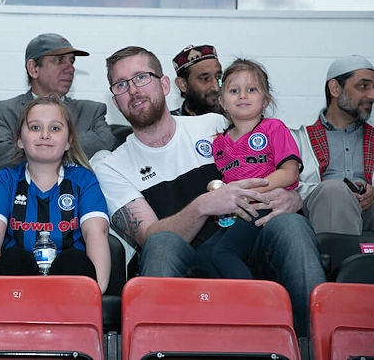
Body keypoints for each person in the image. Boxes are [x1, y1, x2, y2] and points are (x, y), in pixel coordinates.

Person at [90, 46, 325, 337]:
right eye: (121, 84)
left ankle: (315, 344)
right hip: (185, 263)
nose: (133, 90)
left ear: (164, 85)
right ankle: (151, 347)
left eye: (141, 77)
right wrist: (204, 205)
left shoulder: (214, 125)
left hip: (246, 250)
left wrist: (292, 197)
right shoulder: (112, 166)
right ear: (116, 100)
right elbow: (149, 236)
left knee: (291, 224)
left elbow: (277, 164)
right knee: (162, 243)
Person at [0, 95, 111, 293]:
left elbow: (96, 234)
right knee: (14, 258)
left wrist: (96, 293)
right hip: (17, 287)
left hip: (69, 287)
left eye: (55, 128)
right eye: (35, 127)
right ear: (19, 140)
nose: (45, 135)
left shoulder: (84, 180)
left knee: (73, 259)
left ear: (68, 141)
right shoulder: (4, 180)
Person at [210, 58, 302, 279]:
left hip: (265, 206)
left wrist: (249, 193)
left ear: (266, 99)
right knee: (202, 256)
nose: (243, 95)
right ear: (222, 101)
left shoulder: (274, 128)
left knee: (223, 254)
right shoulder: (218, 143)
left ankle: (256, 306)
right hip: (235, 213)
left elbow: (290, 172)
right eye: (234, 90)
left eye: (251, 89)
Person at [0, 33, 116, 173]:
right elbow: (0, 160)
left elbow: (106, 147)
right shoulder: (4, 112)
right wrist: (63, 146)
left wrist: (37, 148)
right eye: (59, 60)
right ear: (33, 69)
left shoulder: (91, 111)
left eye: (71, 61)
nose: (70, 68)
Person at [291, 55, 374, 235]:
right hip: (318, 212)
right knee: (334, 190)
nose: (372, 95)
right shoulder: (298, 135)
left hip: (369, 213)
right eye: (363, 86)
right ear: (335, 89)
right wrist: (341, 194)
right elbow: (290, 184)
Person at [170, 44, 224, 116]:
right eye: (205, 79)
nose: (216, 88)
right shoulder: (169, 124)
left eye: (218, 78)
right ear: (183, 84)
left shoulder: (235, 121)